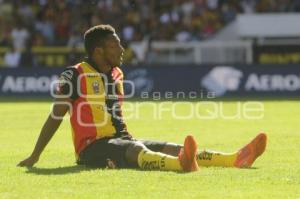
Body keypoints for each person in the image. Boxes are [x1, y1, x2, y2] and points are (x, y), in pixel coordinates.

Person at [18, 24, 267, 172]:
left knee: (169, 146)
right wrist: (35, 155)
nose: (122, 49)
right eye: (115, 45)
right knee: (136, 149)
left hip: (121, 140)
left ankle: (235, 158)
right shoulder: (74, 74)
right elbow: (55, 116)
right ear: (98, 50)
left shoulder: (117, 73)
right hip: (91, 149)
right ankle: (182, 165)